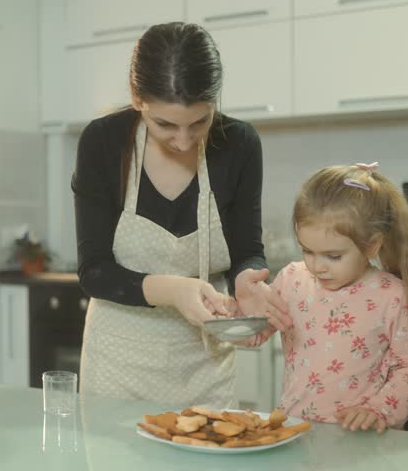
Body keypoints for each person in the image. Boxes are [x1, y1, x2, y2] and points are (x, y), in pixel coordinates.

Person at [72, 22, 290, 408]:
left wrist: (246, 283)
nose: (184, 141)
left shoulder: (239, 144)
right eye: (165, 125)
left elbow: (246, 251)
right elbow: (95, 272)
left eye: (200, 122)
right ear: (137, 97)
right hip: (118, 367)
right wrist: (175, 291)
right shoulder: (103, 142)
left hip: (204, 364)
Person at [236, 162, 408, 433]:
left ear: (372, 245)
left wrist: (378, 409)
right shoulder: (291, 279)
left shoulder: (392, 296)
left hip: (360, 437)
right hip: (296, 429)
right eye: (307, 250)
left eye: (333, 256)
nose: (317, 266)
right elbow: (259, 330)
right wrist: (235, 322)